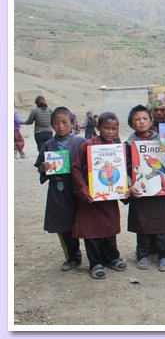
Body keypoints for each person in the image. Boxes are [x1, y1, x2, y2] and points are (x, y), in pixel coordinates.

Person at [71, 112, 127, 279]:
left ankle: (112, 258)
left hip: (108, 197)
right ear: (98, 127)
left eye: (114, 129)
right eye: (106, 128)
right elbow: (75, 169)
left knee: (110, 229)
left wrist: (122, 188)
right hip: (91, 198)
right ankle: (95, 263)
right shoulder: (88, 145)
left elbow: (121, 170)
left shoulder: (116, 147)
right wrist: (83, 190)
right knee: (92, 232)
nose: (110, 132)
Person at [34, 107, 86, 271]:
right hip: (59, 190)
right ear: (51, 125)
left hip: (79, 189)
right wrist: (44, 167)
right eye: (56, 122)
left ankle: (96, 256)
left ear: (73, 123)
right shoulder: (48, 145)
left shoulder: (81, 143)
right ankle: (73, 257)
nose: (61, 126)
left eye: (64, 122)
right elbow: (40, 167)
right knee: (64, 225)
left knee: (87, 221)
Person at [123, 105, 165, 272]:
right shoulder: (128, 145)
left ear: (151, 121)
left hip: (159, 190)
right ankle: (142, 255)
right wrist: (130, 184)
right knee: (141, 224)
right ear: (131, 124)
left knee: (161, 225)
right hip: (140, 191)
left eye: (144, 118)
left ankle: (163, 255)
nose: (141, 122)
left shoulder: (162, 140)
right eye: (137, 119)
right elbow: (126, 167)